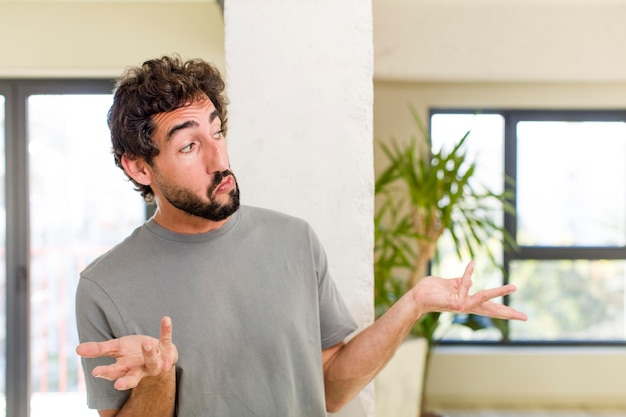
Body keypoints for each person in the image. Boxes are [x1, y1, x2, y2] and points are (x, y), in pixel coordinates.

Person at [75, 54, 527, 417]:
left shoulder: (294, 240)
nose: (220, 159)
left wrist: (413, 305)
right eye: (190, 145)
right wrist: (159, 377)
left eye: (217, 131)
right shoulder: (104, 286)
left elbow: (330, 389)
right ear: (138, 166)